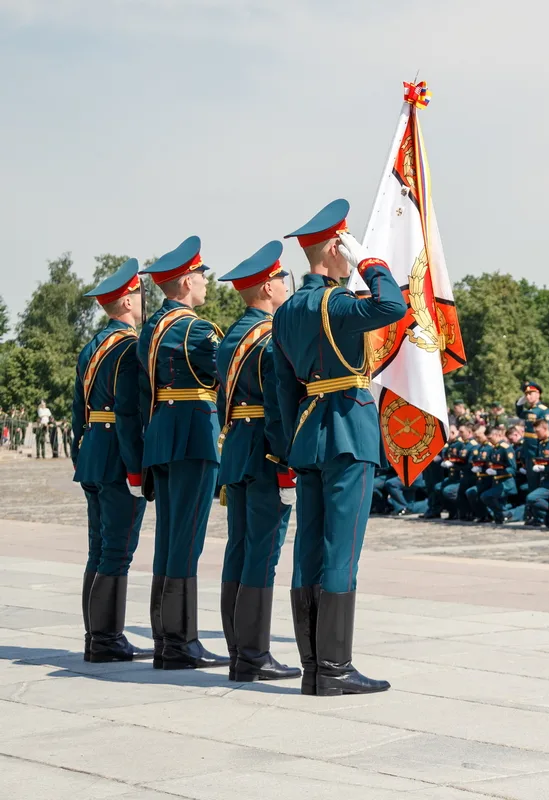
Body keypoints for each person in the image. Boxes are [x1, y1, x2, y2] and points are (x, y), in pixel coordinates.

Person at [274, 199, 408, 695]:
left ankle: (313, 666)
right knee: (341, 552)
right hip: (349, 434)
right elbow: (394, 305)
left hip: (308, 437)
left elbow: (283, 387)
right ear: (337, 247)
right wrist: (370, 261)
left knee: (307, 551)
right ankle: (334, 669)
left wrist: (294, 443)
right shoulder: (337, 304)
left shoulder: (287, 310)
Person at [137, 236, 228, 671]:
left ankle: (164, 637)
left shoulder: (151, 329)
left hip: (163, 436)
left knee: (169, 540)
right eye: (202, 278)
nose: (206, 286)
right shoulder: (197, 329)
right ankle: (181, 642)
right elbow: (225, 375)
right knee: (186, 541)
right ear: (187, 281)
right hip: (193, 434)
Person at [212, 243, 301, 682]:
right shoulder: (269, 336)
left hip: (238, 450)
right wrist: (287, 465)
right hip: (267, 451)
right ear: (268, 286)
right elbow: (279, 404)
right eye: (284, 280)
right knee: (262, 554)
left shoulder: (232, 335)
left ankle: (238, 649)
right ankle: (253, 655)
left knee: (240, 549)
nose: (287, 286)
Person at [71, 259, 151, 663]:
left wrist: (79, 456)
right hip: (118, 457)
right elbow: (127, 412)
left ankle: (95, 635)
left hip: (92, 455)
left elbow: (77, 412)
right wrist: (137, 466)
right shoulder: (127, 347)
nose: (142, 301)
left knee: (99, 548)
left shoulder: (92, 346)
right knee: (116, 550)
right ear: (124, 301)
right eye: (137, 294)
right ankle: (106, 639)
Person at [516, 380, 549, 475]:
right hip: (528, 447)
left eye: (530, 394)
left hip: (537, 447)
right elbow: (520, 414)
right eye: (526, 394)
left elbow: (548, 431)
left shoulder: (543, 410)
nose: (527, 397)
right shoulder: (530, 410)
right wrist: (519, 404)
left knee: (536, 477)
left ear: (538, 394)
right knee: (531, 477)